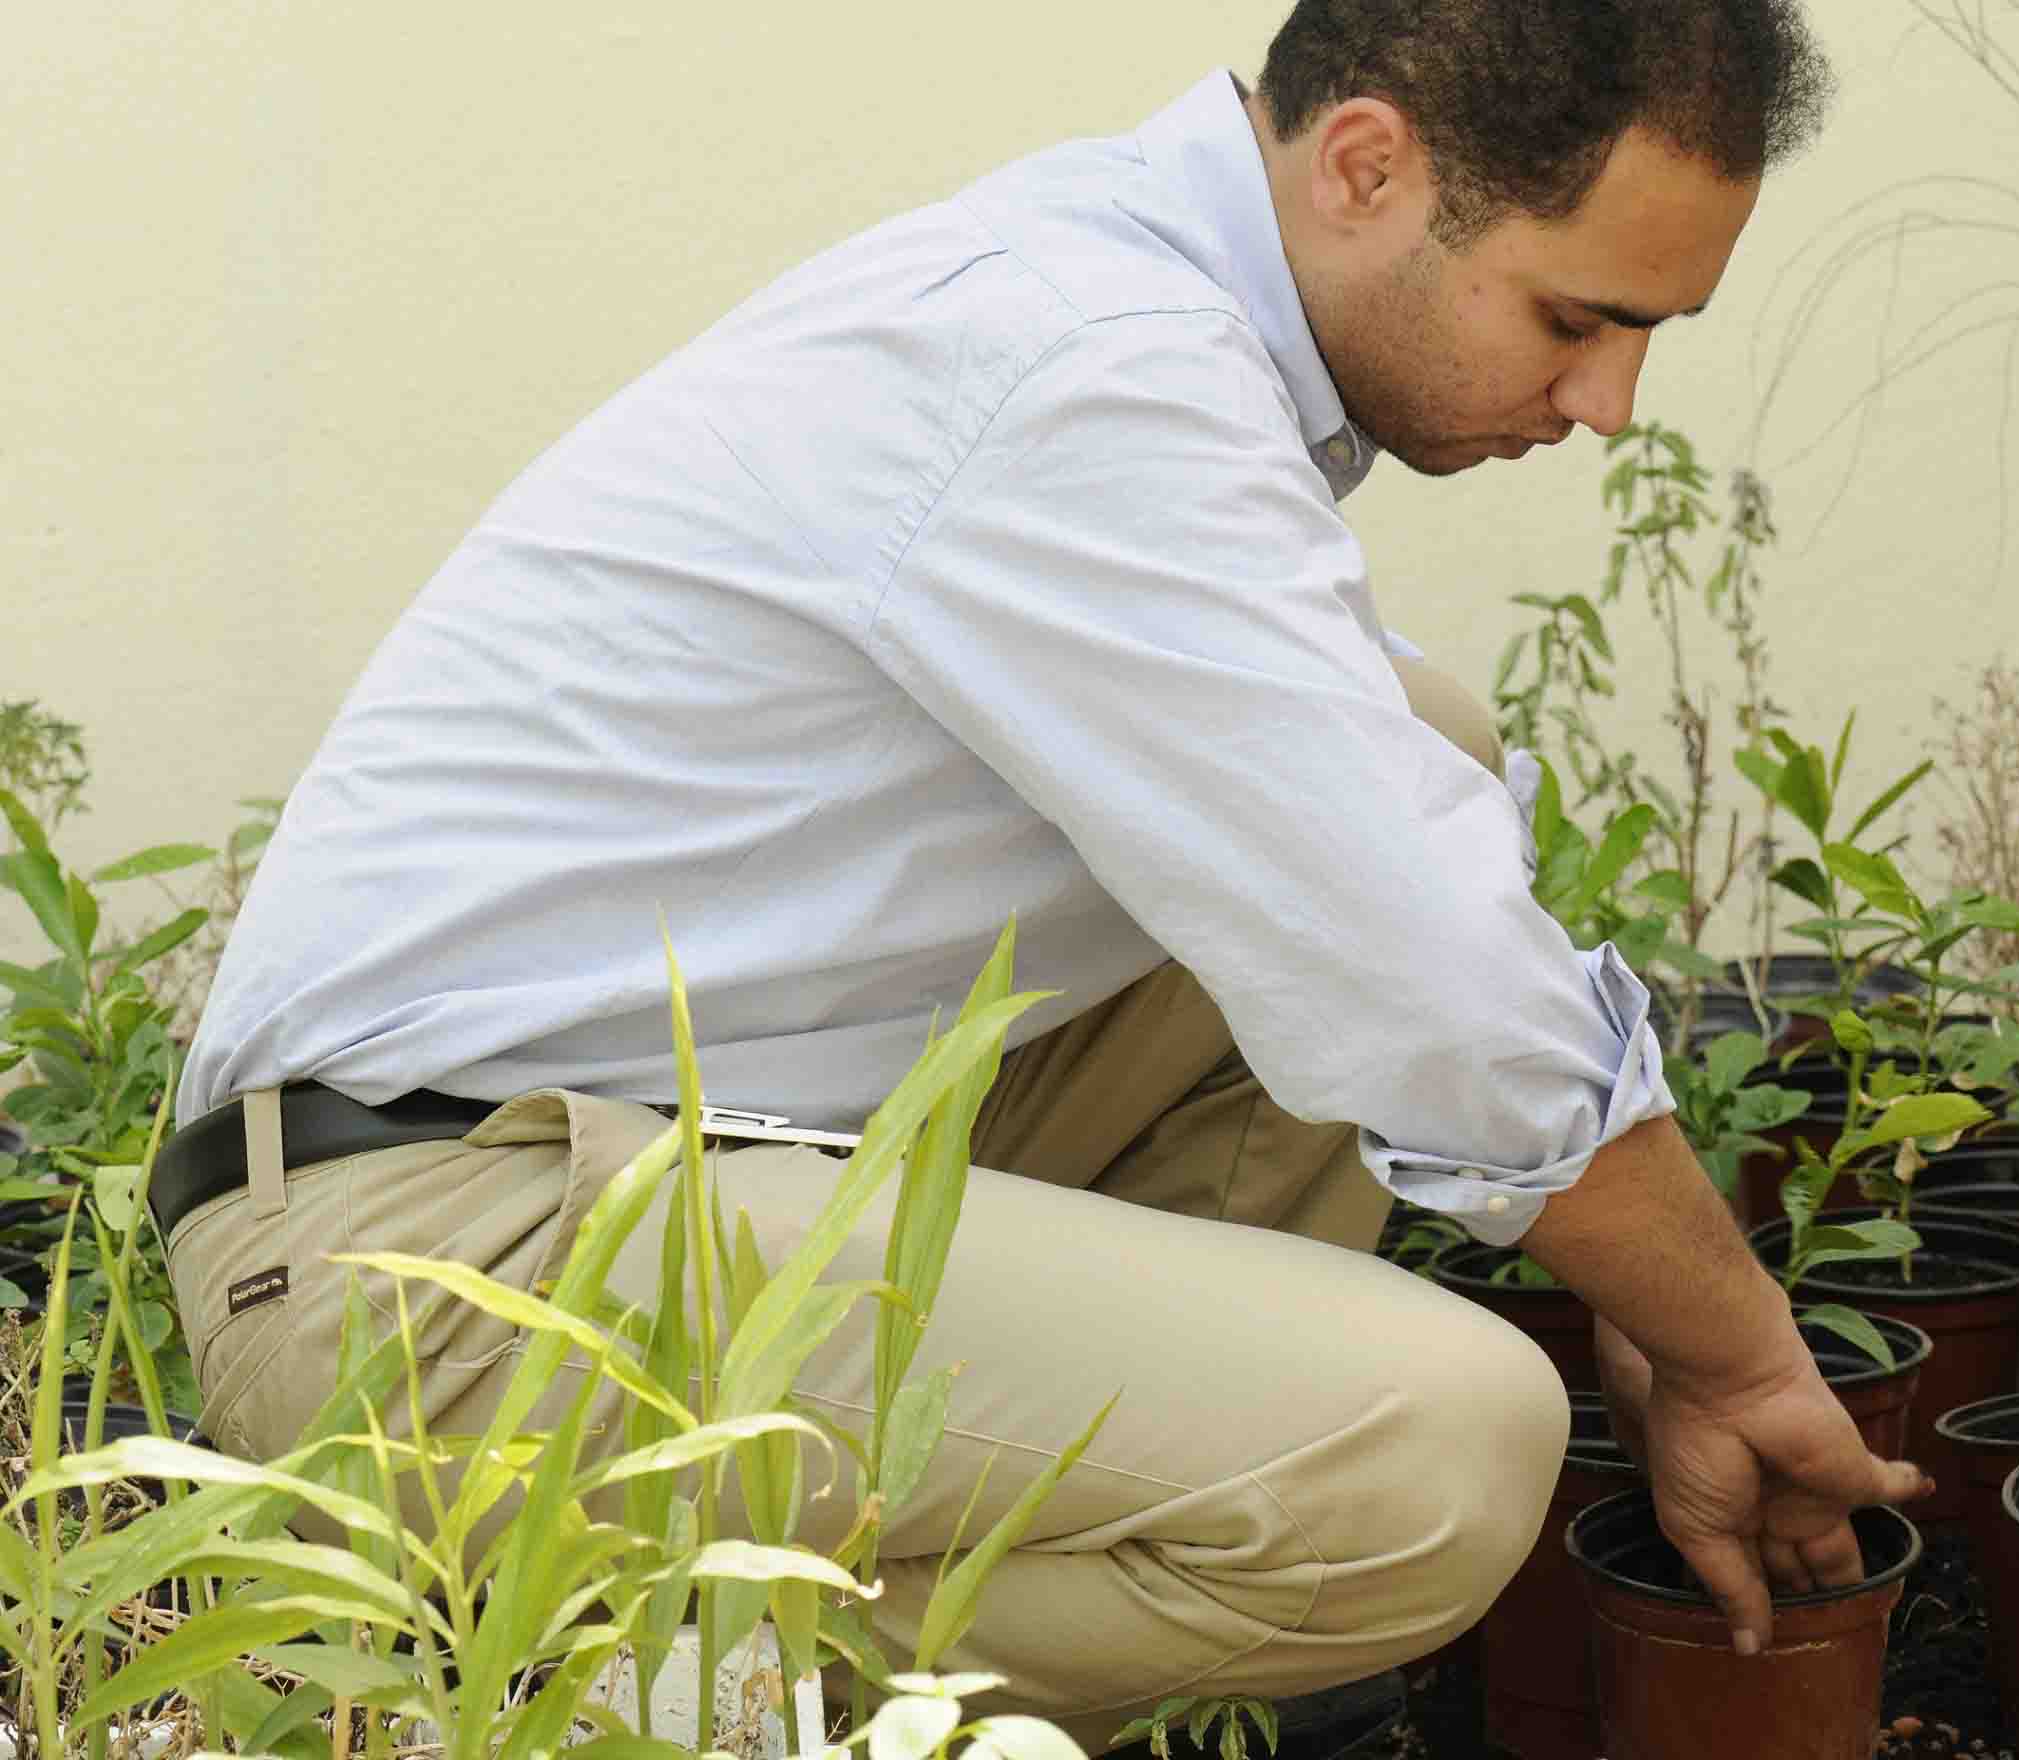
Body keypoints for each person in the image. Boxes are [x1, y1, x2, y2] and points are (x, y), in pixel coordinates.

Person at [161, 0, 1924, 1749]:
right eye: (1575, 316)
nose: (1611, 404)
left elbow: (1379, 884)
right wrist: (1733, 1351)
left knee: (1415, 750)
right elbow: (1427, 965)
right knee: (1431, 1451)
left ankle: (952, 1631)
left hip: (654, 1182)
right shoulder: (1085, 360)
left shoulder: (1117, 309)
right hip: (435, 1273)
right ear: (1368, 165)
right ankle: (582, 1692)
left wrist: (1645, 1278)